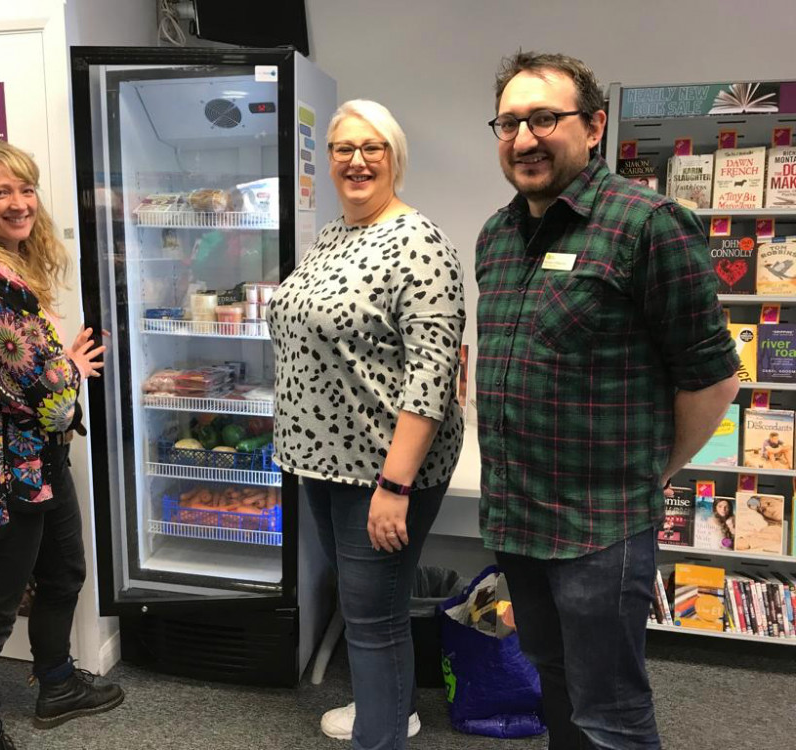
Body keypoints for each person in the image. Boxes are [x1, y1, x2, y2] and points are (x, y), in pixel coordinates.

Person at [476, 51, 740, 749]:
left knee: (611, 715)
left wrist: (650, 473)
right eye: (509, 122)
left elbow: (713, 378)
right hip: (517, 517)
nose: (525, 138)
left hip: (599, 526)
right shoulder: (497, 237)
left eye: (543, 118)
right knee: (552, 683)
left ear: (593, 127)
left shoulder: (649, 225)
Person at [267, 100, 464, 749]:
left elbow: (433, 373)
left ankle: (381, 734)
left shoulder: (418, 240)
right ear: (327, 160)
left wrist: (395, 486)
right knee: (373, 609)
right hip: (320, 461)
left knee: (370, 621)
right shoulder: (331, 235)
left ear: (394, 158)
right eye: (342, 147)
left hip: (381, 469)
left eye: (371, 147)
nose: (356, 160)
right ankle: (396, 710)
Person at [0, 139, 121, 750]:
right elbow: (55, 398)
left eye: (26, 188)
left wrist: (53, 372)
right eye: (0, 192)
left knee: (64, 572)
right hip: (1, 469)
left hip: (37, 460)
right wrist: (68, 367)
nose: (19, 204)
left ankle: (57, 683)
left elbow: (19, 379)